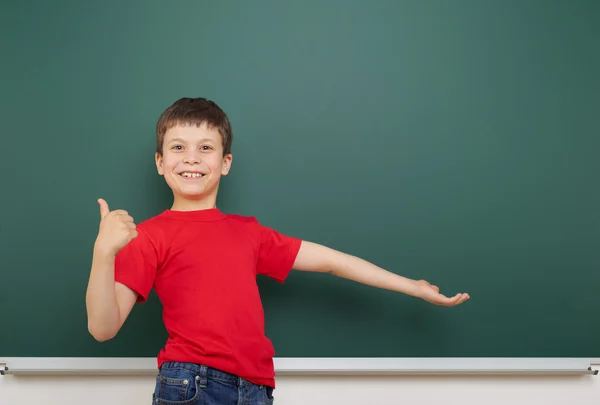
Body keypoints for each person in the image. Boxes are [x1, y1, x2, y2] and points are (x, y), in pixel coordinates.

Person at [85, 97, 470, 405]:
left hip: (256, 389)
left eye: (205, 147)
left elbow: (333, 263)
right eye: (178, 147)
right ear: (160, 162)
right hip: (191, 384)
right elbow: (102, 329)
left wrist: (411, 287)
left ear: (225, 162)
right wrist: (104, 252)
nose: (191, 158)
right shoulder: (148, 236)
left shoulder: (249, 234)